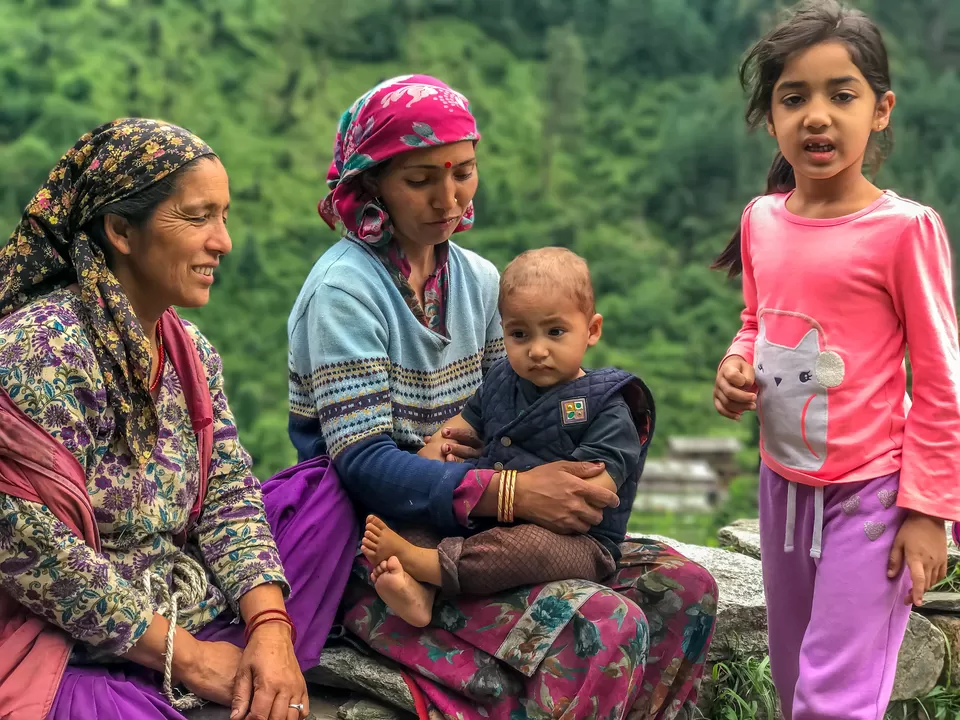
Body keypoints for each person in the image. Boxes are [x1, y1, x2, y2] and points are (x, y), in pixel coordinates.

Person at [289, 74, 718, 720]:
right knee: (603, 626)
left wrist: (564, 480)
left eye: (463, 173)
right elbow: (363, 463)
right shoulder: (344, 293)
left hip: (481, 525)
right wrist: (513, 491)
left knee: (684, 589)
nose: (448, 198)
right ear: (373, 184)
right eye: (421, 180)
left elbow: (511, 411)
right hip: (379, 542)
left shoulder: (479, 280)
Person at [0, 118, 358, 720]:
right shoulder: (39, 350)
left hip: (181, 593)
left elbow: (226, 493)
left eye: (224, 217)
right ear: (120, 230)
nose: (223, 242)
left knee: (328, 492)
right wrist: (188, 658)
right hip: (73, 637)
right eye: (198, 218)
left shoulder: (189, 350)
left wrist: (270, 626)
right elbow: (38, 555)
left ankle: (254, 661)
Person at [712, 3, 960, 718]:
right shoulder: (762, 219)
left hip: (873, 497)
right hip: (783, 490)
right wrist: (737, 364)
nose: (817, 116)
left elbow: (940, 378)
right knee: (794, 680)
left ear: (880, 110)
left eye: (841, 95)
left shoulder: (904, 230)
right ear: (769, 118)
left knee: (834, 700)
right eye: (794, 98)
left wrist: (928, 511)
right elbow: (758, 322)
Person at [361, 247, 655, 628]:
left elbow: (585, 501)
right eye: (519, 334)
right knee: (426, 515)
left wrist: (506, 494)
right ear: (503, 331)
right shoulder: (501, 380)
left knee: (527, 548)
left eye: (555, 332)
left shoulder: (608, 408)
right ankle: (419, 592)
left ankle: (430, 565)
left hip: (575, 540)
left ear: (592, 330)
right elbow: (457, 429)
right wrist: (429, 466)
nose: (537, 350)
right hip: (493, 517)